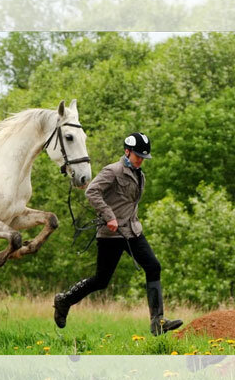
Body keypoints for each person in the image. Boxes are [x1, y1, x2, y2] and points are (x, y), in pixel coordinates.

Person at [53, 132, 183, 336]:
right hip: (111, 235)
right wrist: (108, 215)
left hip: (132, 232)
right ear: (127, 151)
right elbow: (91, 191)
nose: (140, 160)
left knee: (153, 266)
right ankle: (64, 300)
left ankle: (157, 321)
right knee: (101, 280)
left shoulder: (141, 175)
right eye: (137, 156)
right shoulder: (112, 171)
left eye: (143, 157)